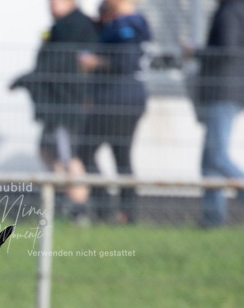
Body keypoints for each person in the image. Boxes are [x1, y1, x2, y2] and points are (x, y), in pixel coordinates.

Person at [11, 0, 99, 224]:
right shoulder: (59, 26)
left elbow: (60, 65)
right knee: (48, 152)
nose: (52, 4)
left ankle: (80, 210)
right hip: (55, 105)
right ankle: (64, 201)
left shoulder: (77, 25)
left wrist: (27, 79)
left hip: (66, 104)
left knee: (68, 156)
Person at [77, 0, 151, 224]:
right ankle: (125, 214)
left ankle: (107, 209)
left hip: (118, 100)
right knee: (120, 157)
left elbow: (126, 60)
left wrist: (95, 62)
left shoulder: (128, 25)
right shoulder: (125, 23)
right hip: (120, 99)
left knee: (85, 152)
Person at [193, 0, 244, 228]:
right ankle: (212, 221)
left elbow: (226, 49)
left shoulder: (231, 10)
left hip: (223, 91)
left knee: (216, 156)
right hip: (228, 90)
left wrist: (195, 52)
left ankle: (212, 219)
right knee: (208, 161)